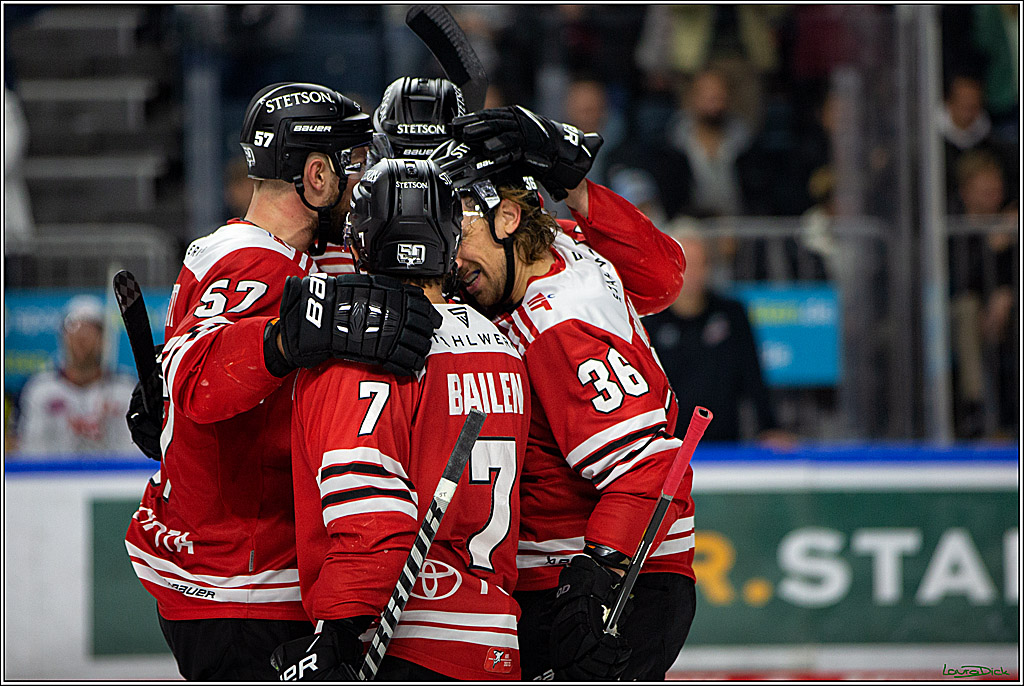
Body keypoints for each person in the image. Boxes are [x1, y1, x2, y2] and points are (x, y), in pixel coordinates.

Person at [123, 82, 440, 680]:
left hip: (238, 577)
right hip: (241, 589)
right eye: (353, 166)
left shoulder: (286, 256)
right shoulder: (251, 261)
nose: (363, 181)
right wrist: (283, 340)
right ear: (317, 177)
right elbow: (200, 380)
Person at [432, 108, 695, 681]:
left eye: (460, 234)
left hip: (599, 584)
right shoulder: (564, 246)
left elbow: (648, 467)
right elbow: (665, 274)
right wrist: (576, 188)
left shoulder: (556, 328)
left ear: (506, 218)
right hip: (621, 571)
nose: (450, 261)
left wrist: (594, 574)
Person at [272, 158, 531, 680]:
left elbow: (374, 517)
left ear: (360, 240)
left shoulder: (358, 349)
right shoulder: (503, 343)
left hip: (404, 642)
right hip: (495, 638)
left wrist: (337, 636)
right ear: (449, 238)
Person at [643, 231, 797, 447]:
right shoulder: (648, 323)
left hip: (724, 447)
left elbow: (752, 375)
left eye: (700, 264)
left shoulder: (732, 315)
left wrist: (769, 427)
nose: (693, 273)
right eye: (684, 265)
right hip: (666, 448)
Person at [18, 295, 136, 456]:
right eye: (74, 329)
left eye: (91, 330)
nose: (82, 337)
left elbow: (134, 452)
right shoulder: (40, 390)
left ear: (105, 339)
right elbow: (31, 451)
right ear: (63, 337)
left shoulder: (125, 390)